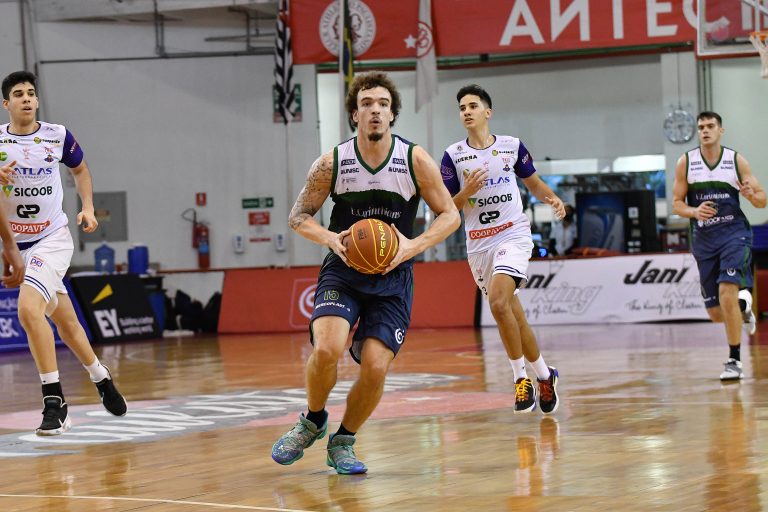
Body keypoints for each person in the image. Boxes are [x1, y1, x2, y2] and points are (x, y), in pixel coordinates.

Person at [271, 71, 460, 474]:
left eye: (383, 104)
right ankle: (312, 420)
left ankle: (343, 441)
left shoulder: (414, 160)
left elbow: (450, 214)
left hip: (393, 277)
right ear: (354, 114)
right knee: (327, 349)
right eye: (367, 104)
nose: (375, 110)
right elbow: (298, 216)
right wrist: (330, 238)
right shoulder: (332, 162)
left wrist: (412, 246)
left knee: (375, 367)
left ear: (392, 115)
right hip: (343, 271)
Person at [0, 71, 127, 435]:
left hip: (52, 238)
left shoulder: (57, 135)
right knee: (67, 323)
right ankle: (100, 375)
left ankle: (54, 401)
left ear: (37, 100)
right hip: (15, 242)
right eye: (18, 94)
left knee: (28, 310)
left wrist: (87, 207)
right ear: (6, 104)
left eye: (31, 93)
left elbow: (80, 169)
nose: (26, 98)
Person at [440, 84, 563, 414]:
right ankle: (545, 375)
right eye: (462, 108)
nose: (466, 112)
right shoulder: (453, 156)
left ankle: (520, 379)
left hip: (513, 235)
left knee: (497, 302)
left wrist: (553, 200)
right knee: (513, 315)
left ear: (487, 112)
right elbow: (446, 208)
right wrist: (466, 191)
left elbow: (533, 183)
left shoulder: (511, 146)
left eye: (472, 106)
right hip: (479, 245)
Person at [672, 111, 765, 381]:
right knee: (716, 313)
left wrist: (751, 195)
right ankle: (742, 308)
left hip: (734, 234)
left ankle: (734, 360)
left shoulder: (735, 160)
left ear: (720, 130)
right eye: (701, 126)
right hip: (704, 240)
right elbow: (676, 204)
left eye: (710, 126)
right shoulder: (686, 162)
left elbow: (762, 200)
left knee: (727, 291)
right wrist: (694, 211)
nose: (705, 130)